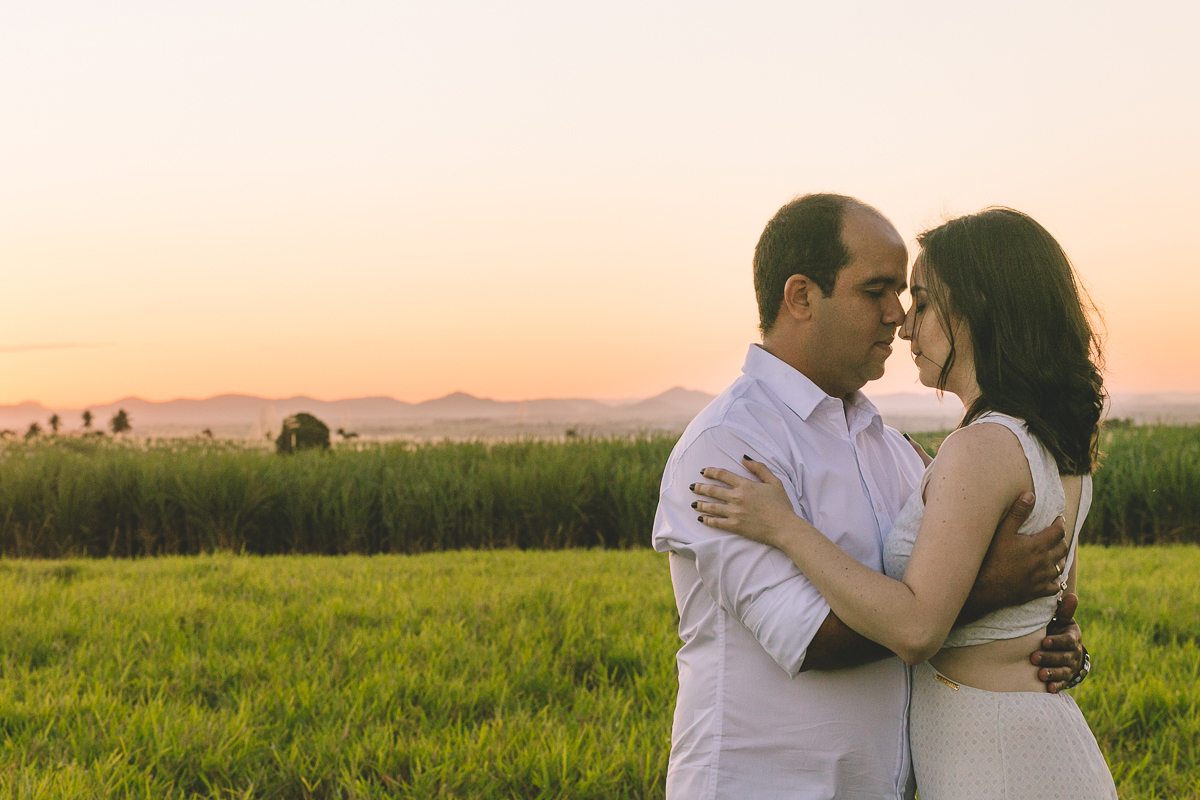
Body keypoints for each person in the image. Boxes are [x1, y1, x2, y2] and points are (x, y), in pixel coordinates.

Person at [652, 194, 1086, 799]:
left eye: (908, 296)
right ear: (801, 296)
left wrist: (1041, 640)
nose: (898, 316)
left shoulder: (895, 450)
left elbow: (992, 597)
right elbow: (811, 637)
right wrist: (985, 594)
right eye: (876, 290)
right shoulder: (728, 447)